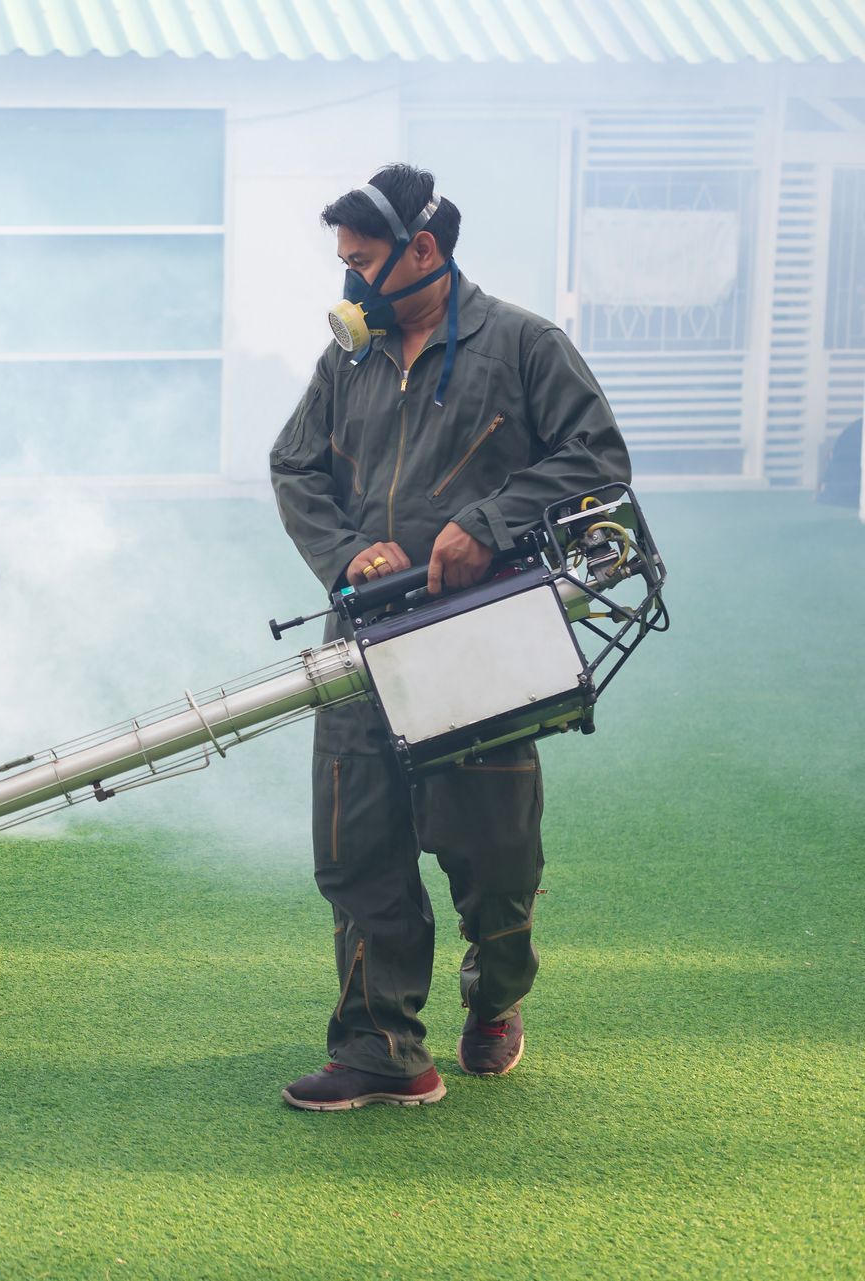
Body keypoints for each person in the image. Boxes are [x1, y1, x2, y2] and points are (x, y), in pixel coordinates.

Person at [268, 164, 631, 1111]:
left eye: (362, 262)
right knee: (355, 850)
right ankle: (382, 1048)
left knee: (491, 858)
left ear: (422, 251)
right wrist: (349, 555)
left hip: (478, 641)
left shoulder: (524, 345)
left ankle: (498, 991)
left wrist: (495, 520)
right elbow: (294, 463)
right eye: (342, 263)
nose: (348, 283)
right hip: (364, 641)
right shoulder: (347, 358)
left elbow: (597, 458)